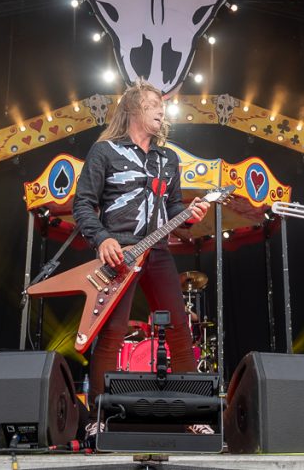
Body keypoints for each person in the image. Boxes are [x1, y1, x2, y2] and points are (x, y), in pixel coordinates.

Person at [72, 80, 210, 435]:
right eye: (153, 103)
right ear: (133, 107)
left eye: (162, 104)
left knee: (180, 329)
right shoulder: (104, 151)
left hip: (159, 251)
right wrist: (102, 238)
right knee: (112, 333)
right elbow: (83, 204)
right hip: (119, 252)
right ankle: (97, 418)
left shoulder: (168, 159)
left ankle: (193, 414)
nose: (161, 109)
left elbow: (174, 209)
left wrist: (191, 215)